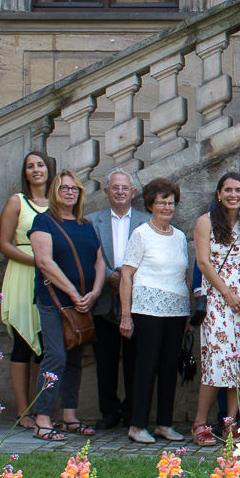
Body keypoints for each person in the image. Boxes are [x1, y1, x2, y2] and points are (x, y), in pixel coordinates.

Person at [29, 170, 104, 442]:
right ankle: (42, 418)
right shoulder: (44, 221)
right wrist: (72, 292)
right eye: (64, 188)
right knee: (56, 356)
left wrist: (95, 292)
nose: (70, 192)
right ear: (55, 192)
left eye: (75, 189)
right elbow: (44, 261)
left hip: (82, 304)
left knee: (74, 358)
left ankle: (70, 416)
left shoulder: (86, 224)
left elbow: (99, 261)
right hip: (55, 302)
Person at [117, 178, 191, 445]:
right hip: (147, 310)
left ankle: (164, 424)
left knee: (170, 368)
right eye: (162, 202)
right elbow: (127, 275)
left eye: (171, 203)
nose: (167, 207)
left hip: (176, 312)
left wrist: (187, 315)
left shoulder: (180, 237)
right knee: (145, 368)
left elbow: (184, 275)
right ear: (150, 204)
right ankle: (137, 425)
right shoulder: (141, 234)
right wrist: (126, 315)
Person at [191, 172, 240, 447]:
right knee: (217, 360)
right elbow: (203, 263)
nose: (233, 195)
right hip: (218, 297)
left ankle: (230, 424)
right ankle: (200, 422)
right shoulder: (205, 222)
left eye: (238, 190)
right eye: (228, 190)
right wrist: (227, 294)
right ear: (219, 194)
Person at [0, 151, 53, 430]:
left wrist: (48, 265)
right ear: (25, 173)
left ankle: (41, 408)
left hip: (50, 276)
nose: (36, 170)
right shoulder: (16, 202)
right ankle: (22, 410)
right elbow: (4, 244)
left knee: (46, 342)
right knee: (22, 343)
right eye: (30, 166)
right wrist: (36, 261)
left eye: (40, 165)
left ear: (49, 169)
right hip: (22, 273)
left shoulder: (57, 202)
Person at [86, 168, 144, 430]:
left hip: (136, 299)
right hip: (105, 298)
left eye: (125, 188)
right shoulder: (91, 221)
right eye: (115, 187)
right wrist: (110, 275)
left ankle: (132, 411)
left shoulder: (146, 221)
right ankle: (108, 411)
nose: (120, 192)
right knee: (105, 359)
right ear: (106, 191)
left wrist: (128, 279)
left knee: (135, 359)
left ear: (133, 192)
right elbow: (87, 256)